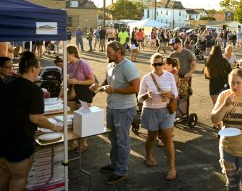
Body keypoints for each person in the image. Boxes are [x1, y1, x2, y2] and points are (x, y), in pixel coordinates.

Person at [0, 51, 63, 191]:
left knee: (4, 173)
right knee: (19, 178)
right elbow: (37, 118)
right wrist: (54, 127)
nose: (40, 69)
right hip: (19, 142)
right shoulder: (34, 90)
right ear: (34, 68)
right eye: (39, 67)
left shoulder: (8, 85)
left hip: (3, 138)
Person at [89, 41, 139, 185]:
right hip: (112, 107)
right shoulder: (110, 65)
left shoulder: (129, 66)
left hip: (124, 109)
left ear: (118, 52)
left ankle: (121, 171)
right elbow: (107, 82)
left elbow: (135, 88)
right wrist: (98, 87)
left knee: (122, 140)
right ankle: (114, 164)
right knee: (113, 139)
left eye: (109, 52)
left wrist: (115, 90)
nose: (107, 54)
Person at [138, 53, 178, 179]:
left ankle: (172, 167)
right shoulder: (146, 78)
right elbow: (139, 98)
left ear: (164, 64)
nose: (158, 66)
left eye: (160, 63)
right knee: (152, 136)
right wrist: (146, 95)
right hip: (151, 110)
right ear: (152, 65)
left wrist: (170, 95)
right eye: (155, 64)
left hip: (166, 110)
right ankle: (148, 155)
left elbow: (175, 94)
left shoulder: (170, 76)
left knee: (167, 138)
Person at [64, 45, 95, 152]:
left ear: (72, 54)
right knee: (73, 119)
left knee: (83, 119)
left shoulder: (84, 64)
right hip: (72, 93)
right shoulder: (68, 65)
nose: (64, 56)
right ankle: (74, 143)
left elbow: (92, 80)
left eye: (66, 54)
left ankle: (84, 143)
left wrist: (77, 82)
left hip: (84, 93)